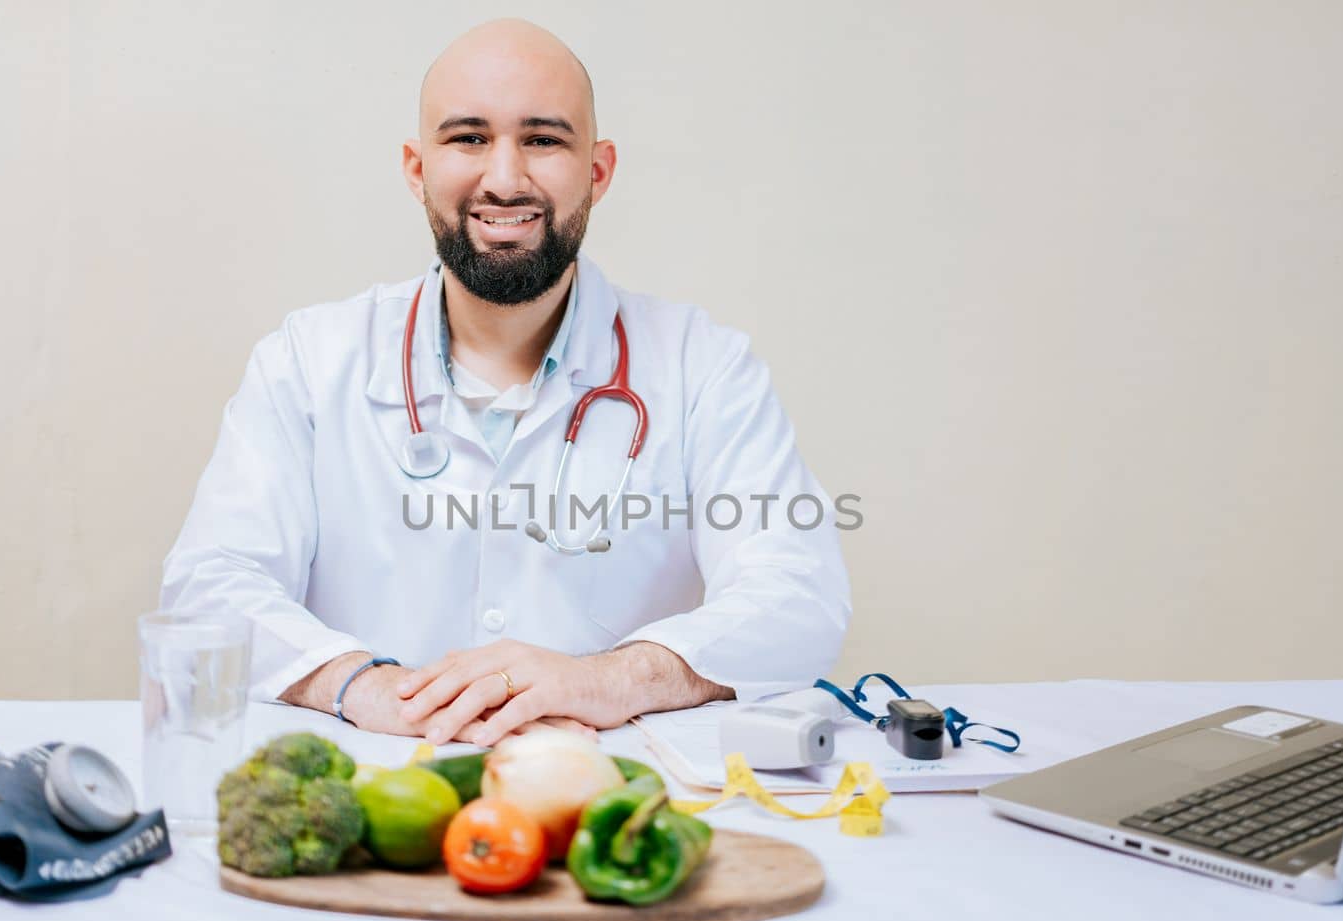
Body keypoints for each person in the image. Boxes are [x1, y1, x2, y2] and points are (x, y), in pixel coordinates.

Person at [159, 18, 850, 747]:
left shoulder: (703, 366)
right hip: (376, 784)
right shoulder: (306, 360)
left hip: (607, 792)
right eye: (468, 137)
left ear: (599, 170)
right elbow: (209, 582)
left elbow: (798, 594)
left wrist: (604, 680)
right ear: (416, 166)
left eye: (544, 139)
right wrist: (365, 685)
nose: (505, 178)